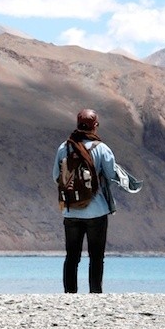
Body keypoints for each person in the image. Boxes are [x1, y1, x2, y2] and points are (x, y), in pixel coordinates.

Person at [53, 108, 141, 294]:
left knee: (72, 257)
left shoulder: (64, 147)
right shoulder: (102, 148)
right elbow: (110, 175)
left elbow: (56, 176)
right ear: (95, 126)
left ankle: (69, 294)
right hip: (97, 211)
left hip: (71, 211)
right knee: (96, 256)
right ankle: (95, 293)